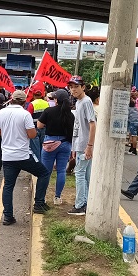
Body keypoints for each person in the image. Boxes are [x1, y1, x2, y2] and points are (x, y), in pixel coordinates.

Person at [0, 90, 51, 225]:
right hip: (23, 155)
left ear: (11, 99)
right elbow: (32, 135)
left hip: (8, 156)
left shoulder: (1, 112)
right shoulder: (25, 114)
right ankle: (39, 203)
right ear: (25, 102)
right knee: (44, 173)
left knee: (8, 186)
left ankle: (8, 216)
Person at [38, 89, 74, 205]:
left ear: (56, 100)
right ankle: (57, 197)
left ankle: (42, 197)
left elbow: (39, 125)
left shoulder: (49, 111)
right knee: (61, 170)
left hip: (50, 143)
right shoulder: (70, 115)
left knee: (45, 172)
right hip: (65, 144)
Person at [68, 76, 96, 215]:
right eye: (71, 87)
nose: (73, 89)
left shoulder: (86, 102)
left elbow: (93, 124)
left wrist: (89, 146)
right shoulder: (79, 102)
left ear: (83, 87)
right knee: (86, 174)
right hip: (80, 144)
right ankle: (87, 203)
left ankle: (80, 205)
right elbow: (77, 126)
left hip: (85, 145)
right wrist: (74, 146)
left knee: (80, 173)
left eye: (76, 86)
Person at [30, 89, 49, 161]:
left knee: (35, 148)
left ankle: (38, 162)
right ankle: (43, 161)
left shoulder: (32, 104)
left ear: (34, 95)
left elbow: (28, 116)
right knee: (43, 147)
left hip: (34, 128)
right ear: (41, 95)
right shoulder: (46, 103)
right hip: (44, 127)